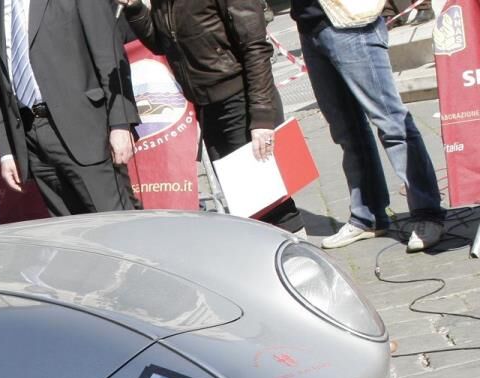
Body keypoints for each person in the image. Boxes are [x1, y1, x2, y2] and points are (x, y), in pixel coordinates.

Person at [119, 0, 304, 234]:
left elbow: (255, 47)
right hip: (208, 104)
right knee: (246, 200)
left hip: (241, 98)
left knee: (271, 201)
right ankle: (269, 257)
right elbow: (161, 43)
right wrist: (135, 8)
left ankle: (298, 260)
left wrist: (261, 117)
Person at [289, 0, 444, 252]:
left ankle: (427, 212)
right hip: (310, 25)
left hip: (352, 22)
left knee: (392, 123)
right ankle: (367, 216)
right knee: (346, 131)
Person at [0, 0, 140, 216]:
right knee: (71, 235)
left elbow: (109, 54)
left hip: (85, 130)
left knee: (115, 226)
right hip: (32, 138)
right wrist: (6, 152)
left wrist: (120, 122)